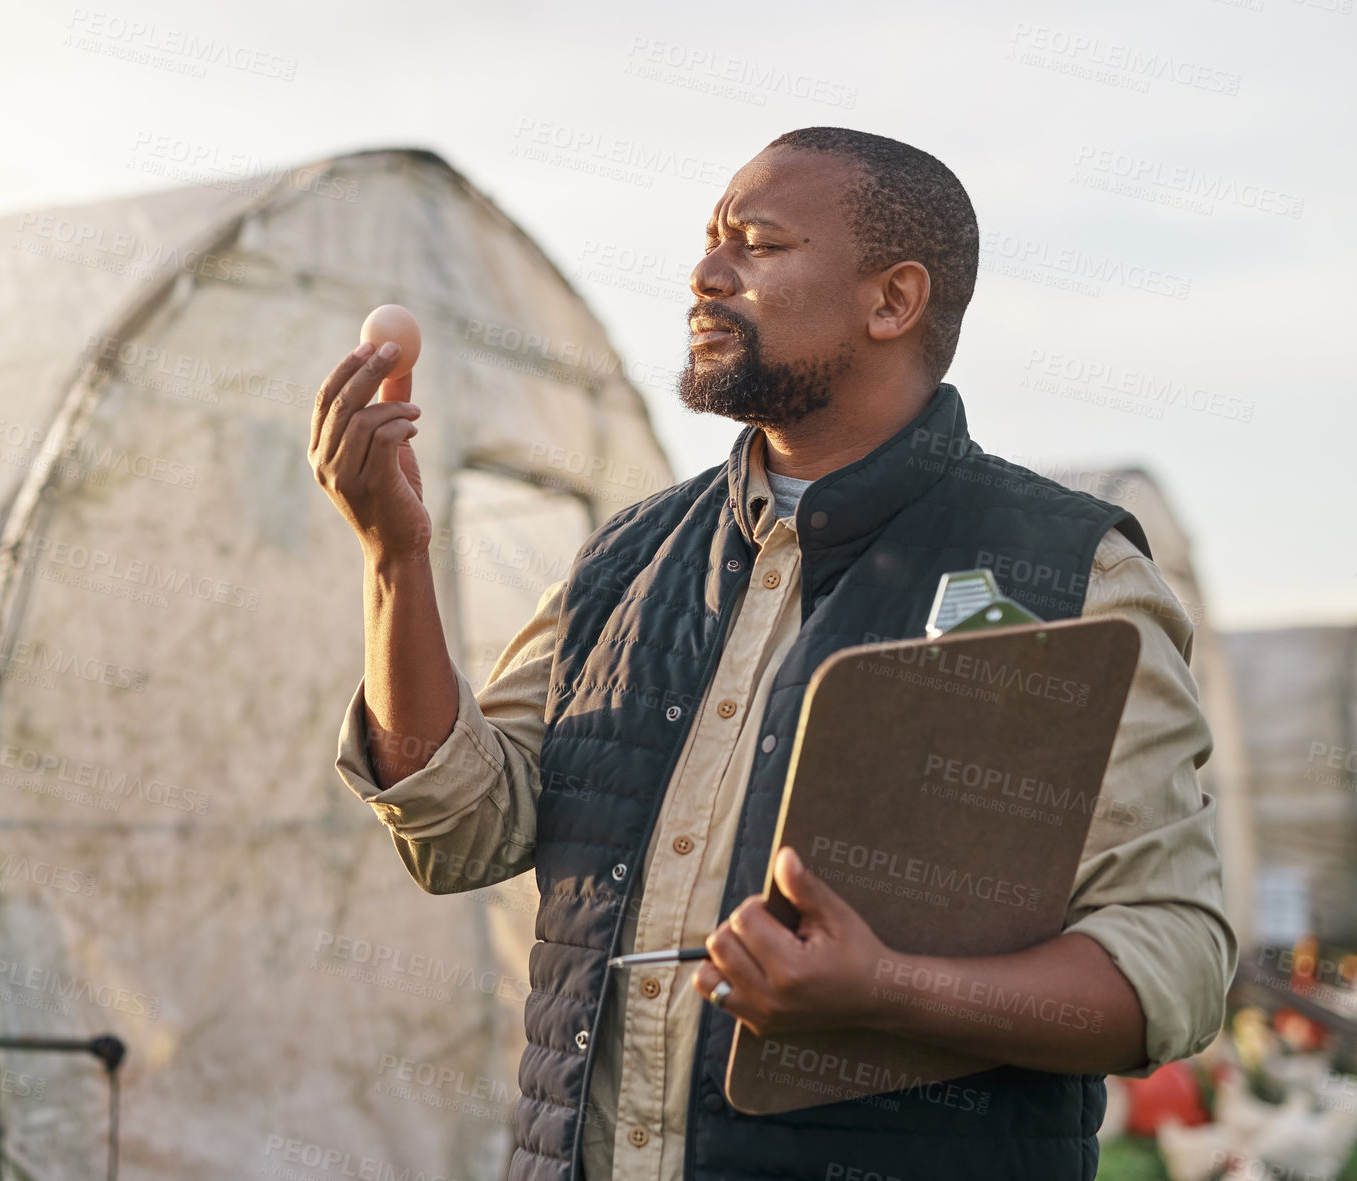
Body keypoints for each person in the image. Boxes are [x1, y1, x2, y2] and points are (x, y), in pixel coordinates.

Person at [308, 127, 1236, 1181]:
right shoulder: (625, 557)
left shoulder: (1069, 574)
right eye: (710, 241)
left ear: (892, 302)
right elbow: (464, 829)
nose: (705, 274)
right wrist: (395, 556)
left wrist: (886, 990)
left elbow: (1175, 963)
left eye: (757, 244)